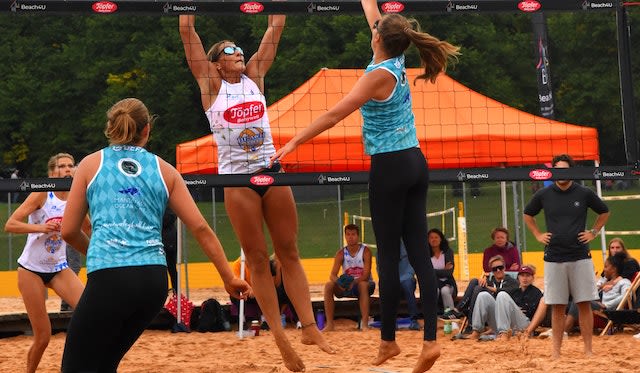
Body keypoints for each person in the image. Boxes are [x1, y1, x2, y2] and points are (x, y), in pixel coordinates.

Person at [271, 1, 460, 371]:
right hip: (416, 162)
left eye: (374, 29)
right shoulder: (397, 58)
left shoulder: (376, 75)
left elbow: (332, 114)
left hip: (389, 168)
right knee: (419, 253)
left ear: (378, 38)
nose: (371, 29)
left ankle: (388, 341)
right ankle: (429, 344)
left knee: (388, 258)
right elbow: (377, 16)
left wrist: (292, 144)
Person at [180, 14, 332, 371]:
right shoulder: (211, 85)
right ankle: (279, 335)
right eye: (230, 50)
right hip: (236, 180)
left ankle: (309, 327)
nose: (238, 53)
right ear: (215, 62)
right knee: (257, 258)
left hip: (271, 171)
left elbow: (275, 27)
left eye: (239, 49)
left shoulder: (254, 78)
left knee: (289, 251)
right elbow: (187, 30)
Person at [59, 98, 251, 372]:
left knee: (75, 367)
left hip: (110, 277)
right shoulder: (164, 170)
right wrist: (228, 277)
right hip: (153, 282)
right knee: (104, 364)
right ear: (147, 129)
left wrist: (95, 250)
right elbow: (200, 228)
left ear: (109, 128)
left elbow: (68, 230)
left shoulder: (90, 165)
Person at [4, 153, 88, 373]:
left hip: (59, 267)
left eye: (71, 165)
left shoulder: (76, 197)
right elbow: (10, 224)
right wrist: (41, 228)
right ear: (52, 172)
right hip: (31, 269)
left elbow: (87, 228)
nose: (68, 169)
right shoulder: (42, 193)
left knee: (89, 314)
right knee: (43, 337)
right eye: (62, 166)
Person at [523, 153, 610, 359]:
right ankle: (556, 352)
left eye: (565, 169)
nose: (561, 173)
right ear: (552, 171)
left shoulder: (584, 193)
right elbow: (528, 214)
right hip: (554, 257)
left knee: (584, 304)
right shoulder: (544, 194)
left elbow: (604, 212)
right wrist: (537, 234)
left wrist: (594, 232)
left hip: (580, 256)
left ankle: (588, 350)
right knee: (558, 306)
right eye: (557, 169)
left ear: (571, 170)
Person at [324, 224, 375, 331]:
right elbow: (332, 275)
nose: (350, 237)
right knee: (329, 285)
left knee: (363, 285)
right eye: (348, 234)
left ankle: (365, 324)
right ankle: (329, 324)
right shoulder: (341, 253)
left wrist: (354, 282)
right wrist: (339, 282)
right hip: (346, 286)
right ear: (345, 236)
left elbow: (366, 275)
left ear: (358, 236)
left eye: (353, 234)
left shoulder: (365, 251)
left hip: (363, 284)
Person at [564, 252, 631, 333]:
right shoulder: (605, 281)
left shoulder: (624, 282)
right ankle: (559, 328)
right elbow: (593, 290)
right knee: (565, 304)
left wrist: (607, 305)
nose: (604, 270)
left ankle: (564, 331)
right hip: (597, 304)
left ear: (614, 269)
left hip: (607, 311)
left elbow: (626, 296)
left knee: (579, 302)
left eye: (606, 267)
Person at [466, 255, 519, 339]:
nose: (498, 270)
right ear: (492, 271)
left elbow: (508, 291)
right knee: (482, 295)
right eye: (495, 269)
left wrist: (487, 287)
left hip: (512, 320)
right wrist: (482, 284)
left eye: (500, 267)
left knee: (502, 295)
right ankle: (476, 331)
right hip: (498, 322)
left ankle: (504, 333)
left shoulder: (513, 281)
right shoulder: (489, 282)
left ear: (504, 268)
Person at [428, 228, 457, 314]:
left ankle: (450, 315)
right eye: (431, 237)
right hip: (432, 283)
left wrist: (433, 271)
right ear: (428, 240)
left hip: (448, 283)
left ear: (441, 239)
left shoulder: (448, 252)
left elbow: (449, 273)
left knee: (445, 290)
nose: (434, 239)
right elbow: (426, 273)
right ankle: (432, 316)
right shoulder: (425, 254)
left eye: (436, 237)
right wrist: (443, 270)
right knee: (434, 290)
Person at [398, 241, 421, 331]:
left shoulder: (408, 245)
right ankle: (390, 321)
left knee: (407, 285)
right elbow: (380, 266)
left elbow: (412, 268)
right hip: (391, 278)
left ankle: (414, 320)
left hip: (407, 278)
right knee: (386, 285)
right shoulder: (385, 243)